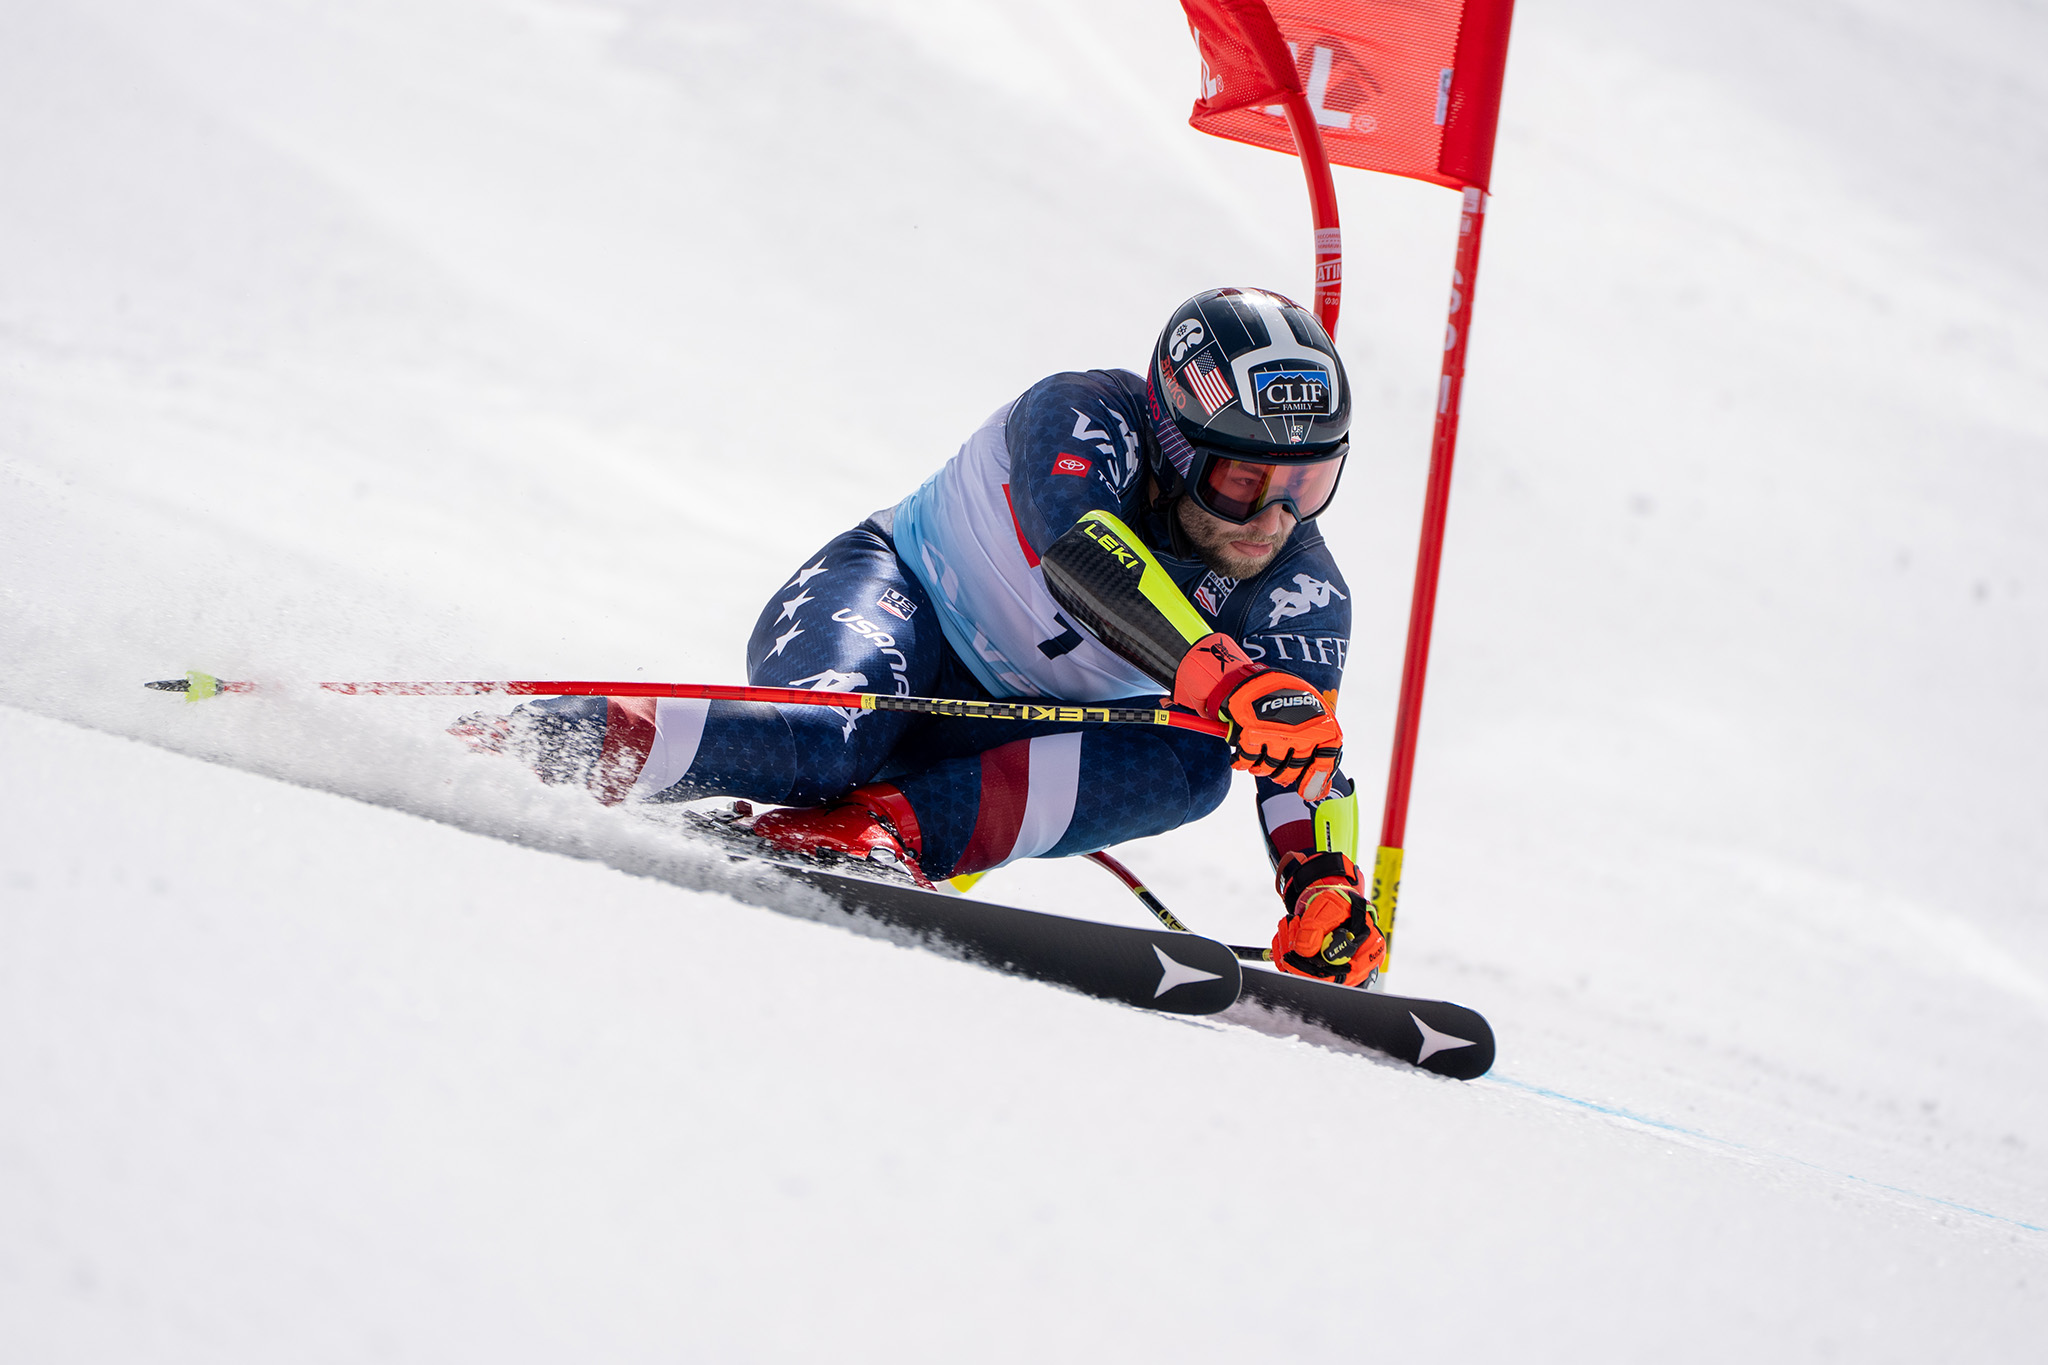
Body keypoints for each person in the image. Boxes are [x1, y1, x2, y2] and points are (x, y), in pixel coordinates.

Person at [462, 287, 1386, 987]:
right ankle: (525, 743)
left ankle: (872, 833)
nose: (1273, 519)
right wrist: (1218, 673)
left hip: (993, 733)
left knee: (1196, 765)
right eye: (1244, 482)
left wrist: (1325, 883)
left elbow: (1303, 750)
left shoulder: (1302, 587)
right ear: (1178, 445)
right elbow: (1079, 550)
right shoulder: (1080, 414)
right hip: (891, 606)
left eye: (1309, 485)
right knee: (826, 739)